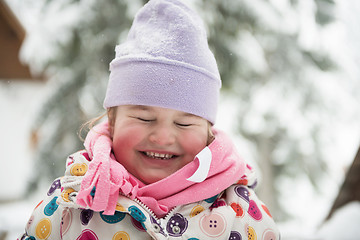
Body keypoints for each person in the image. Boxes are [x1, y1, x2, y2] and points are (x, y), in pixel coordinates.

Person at [20, 0, 280, 239]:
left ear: (209, 131)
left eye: (184, 123)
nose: (163, 137)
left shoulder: (239, 211)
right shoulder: (72, 201)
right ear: (113, 118)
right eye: (144, 118)